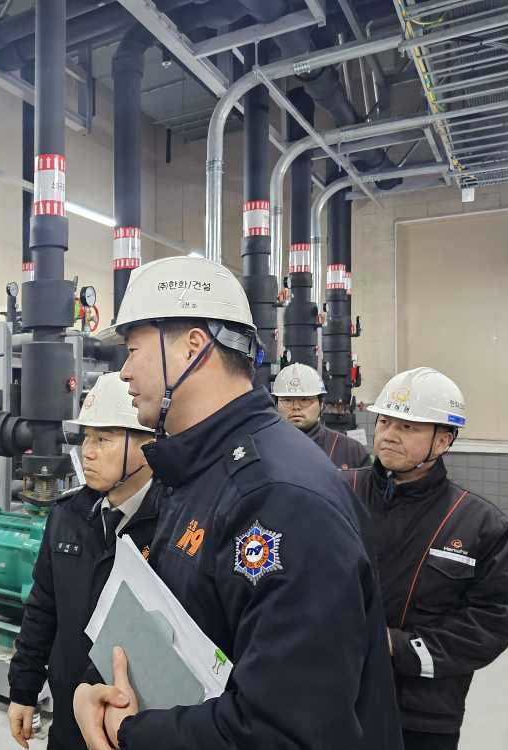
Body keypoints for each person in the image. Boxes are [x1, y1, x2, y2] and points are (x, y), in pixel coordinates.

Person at [72, 255, 402, 750]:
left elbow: (285, 730)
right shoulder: (201, 470)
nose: (123, 372)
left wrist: (132, 733)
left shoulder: (279, 498)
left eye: (133, 350)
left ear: (192, 346)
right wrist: (101, 690)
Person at [344, 367, 508, 750]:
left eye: (408, 427)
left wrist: (398, 647)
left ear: (443, 441)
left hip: (421, 716)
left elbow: (493, 620)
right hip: (336, 695)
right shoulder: (338, 490)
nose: (389, 434)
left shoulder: (480, 524)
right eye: (385, 421)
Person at [8, 372, 158, 749]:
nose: (87, 452)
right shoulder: (68, 516)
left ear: (149, 444)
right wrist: (23, 689)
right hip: (69, 716)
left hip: (137, 727)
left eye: (103, 440)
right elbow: (43, 607)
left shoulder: (174, 526)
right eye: (86, 438)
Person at [273, 362, 370, 469]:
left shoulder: (352, 452)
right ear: (276, 404)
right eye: (287, 400)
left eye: (305, 400)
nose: (296, 407)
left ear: (321, 404)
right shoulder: (264, 448)